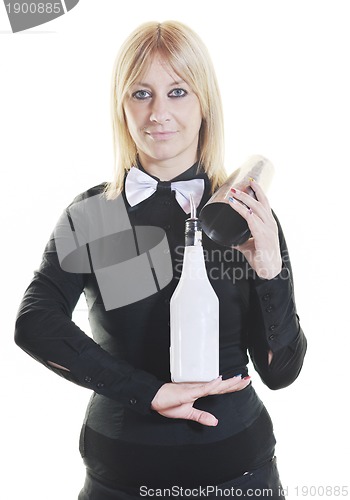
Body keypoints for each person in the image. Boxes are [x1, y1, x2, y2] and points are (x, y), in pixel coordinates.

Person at [15, 20, 307, 499]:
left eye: (177, 91)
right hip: (119, 478)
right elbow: (35, 323)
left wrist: (270, 272)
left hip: (241, 477)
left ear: (204, 103)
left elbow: (281, 373)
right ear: (121, 106)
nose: (158, 113)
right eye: (140, 93)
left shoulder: (241, 212)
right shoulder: (95, 214)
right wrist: (147, 392)